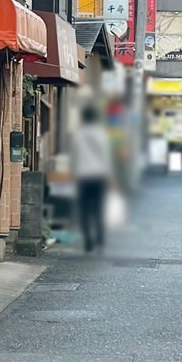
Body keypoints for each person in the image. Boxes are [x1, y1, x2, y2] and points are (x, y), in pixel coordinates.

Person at [73, 101, 111, 252]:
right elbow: (106, 156)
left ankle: (88, 240)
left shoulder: (79, 135)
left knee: (84, 210)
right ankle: (100, 239)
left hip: (84, 176)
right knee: (99, 209)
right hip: (99, 176)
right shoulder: (101, 134)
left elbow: (75, 156)